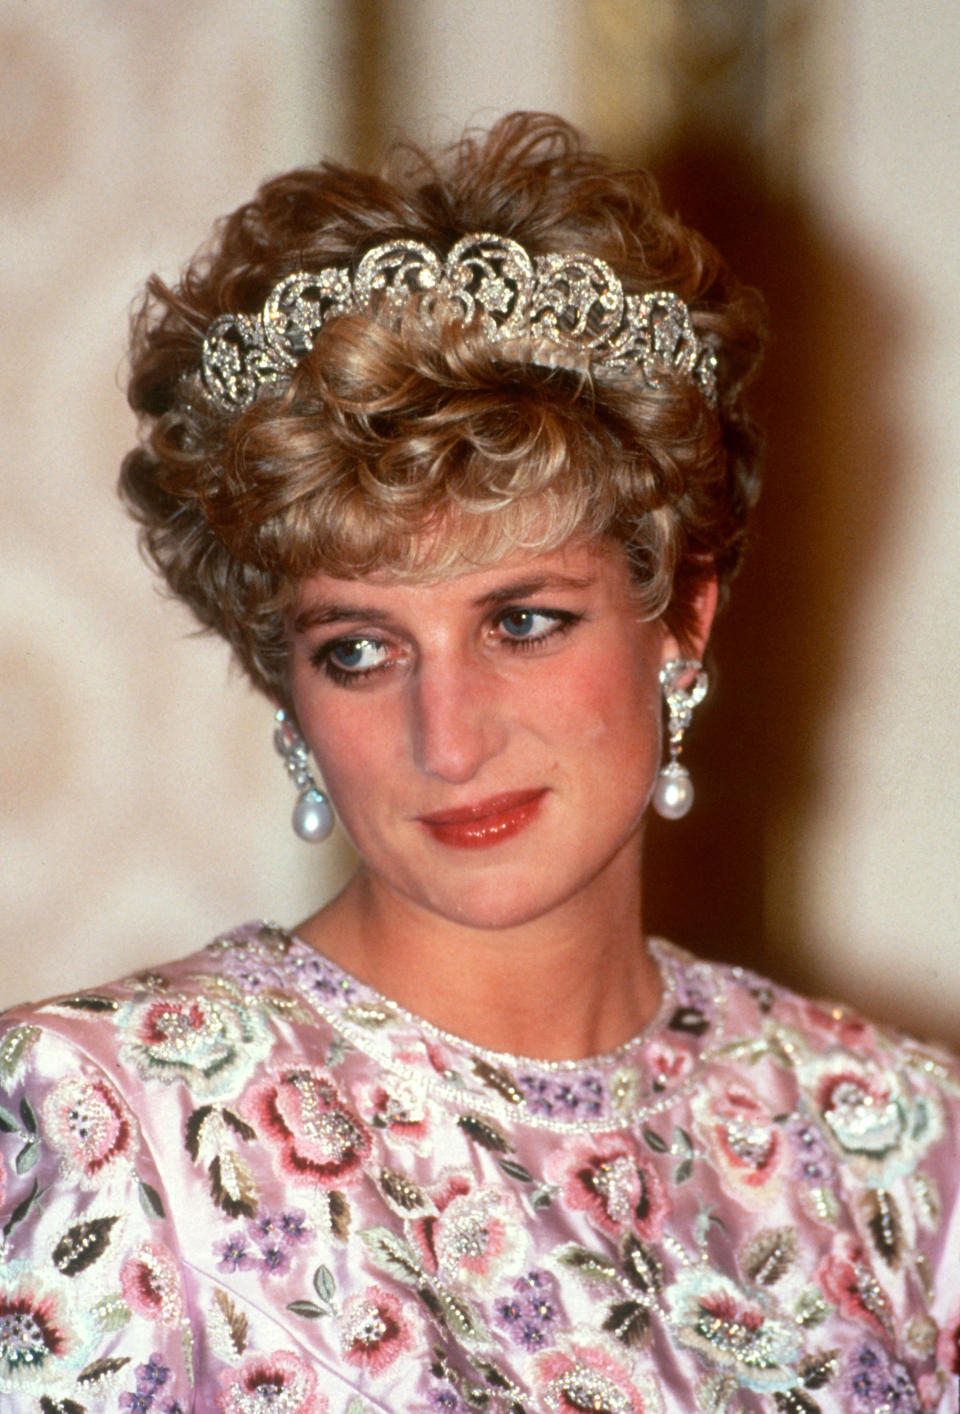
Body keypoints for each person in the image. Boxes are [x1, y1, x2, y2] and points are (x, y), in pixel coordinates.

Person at [0, 112, 957, 1413]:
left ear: (683, 615)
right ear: (288, 678)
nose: (445, 735)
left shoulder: (898, 1146)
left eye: (521, 622)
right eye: (358, 648)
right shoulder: (116, 1122)